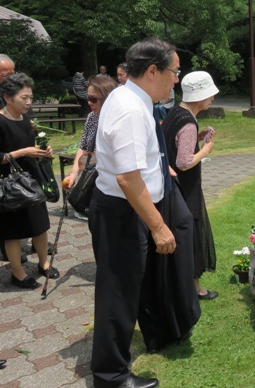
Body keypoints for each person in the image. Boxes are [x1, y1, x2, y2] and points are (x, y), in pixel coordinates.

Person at [89, 38, 198, 388]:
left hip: (129, 205)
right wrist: (158, 226)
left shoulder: (131, 98)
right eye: (174, 71)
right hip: (123, 211)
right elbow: (127, 178)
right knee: (117, 293)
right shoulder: (131, 109)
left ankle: (156, 332)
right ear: (152, 71)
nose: (176, 79)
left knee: (135, 283)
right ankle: (111, 376)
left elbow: (137, 164)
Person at [0, 73, 60, 289]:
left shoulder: (27, 119)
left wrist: (44, 150)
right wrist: (23, 152)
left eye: (30, 98)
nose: (28, 102)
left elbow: (34, 144)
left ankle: (44, 263)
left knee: (40, 226)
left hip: (33, 182)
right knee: (13, 232)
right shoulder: (1, 121)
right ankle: (18, 272)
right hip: (10, 185)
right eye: (23, 98)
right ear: (7, 97)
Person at [162, 72, 218, 300]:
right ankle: (194, 289)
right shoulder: (187, 122)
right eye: (209, 95)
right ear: (199, 96)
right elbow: (184, 162)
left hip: (172, 186)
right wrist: (205, 150)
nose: (212, 99)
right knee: (191, 236)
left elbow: (176, 145)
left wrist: (196, 138)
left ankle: (182, 286)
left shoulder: (176, 112)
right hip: (185, 188)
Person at [61, 75, 118, 219]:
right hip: (96, 182)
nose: (89, 103)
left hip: (116, 186)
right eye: (88, 98)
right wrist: (73, 174)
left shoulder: (119, 119)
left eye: (94, 99)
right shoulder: (92, 117)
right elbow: (84, 147)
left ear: (108, 98)